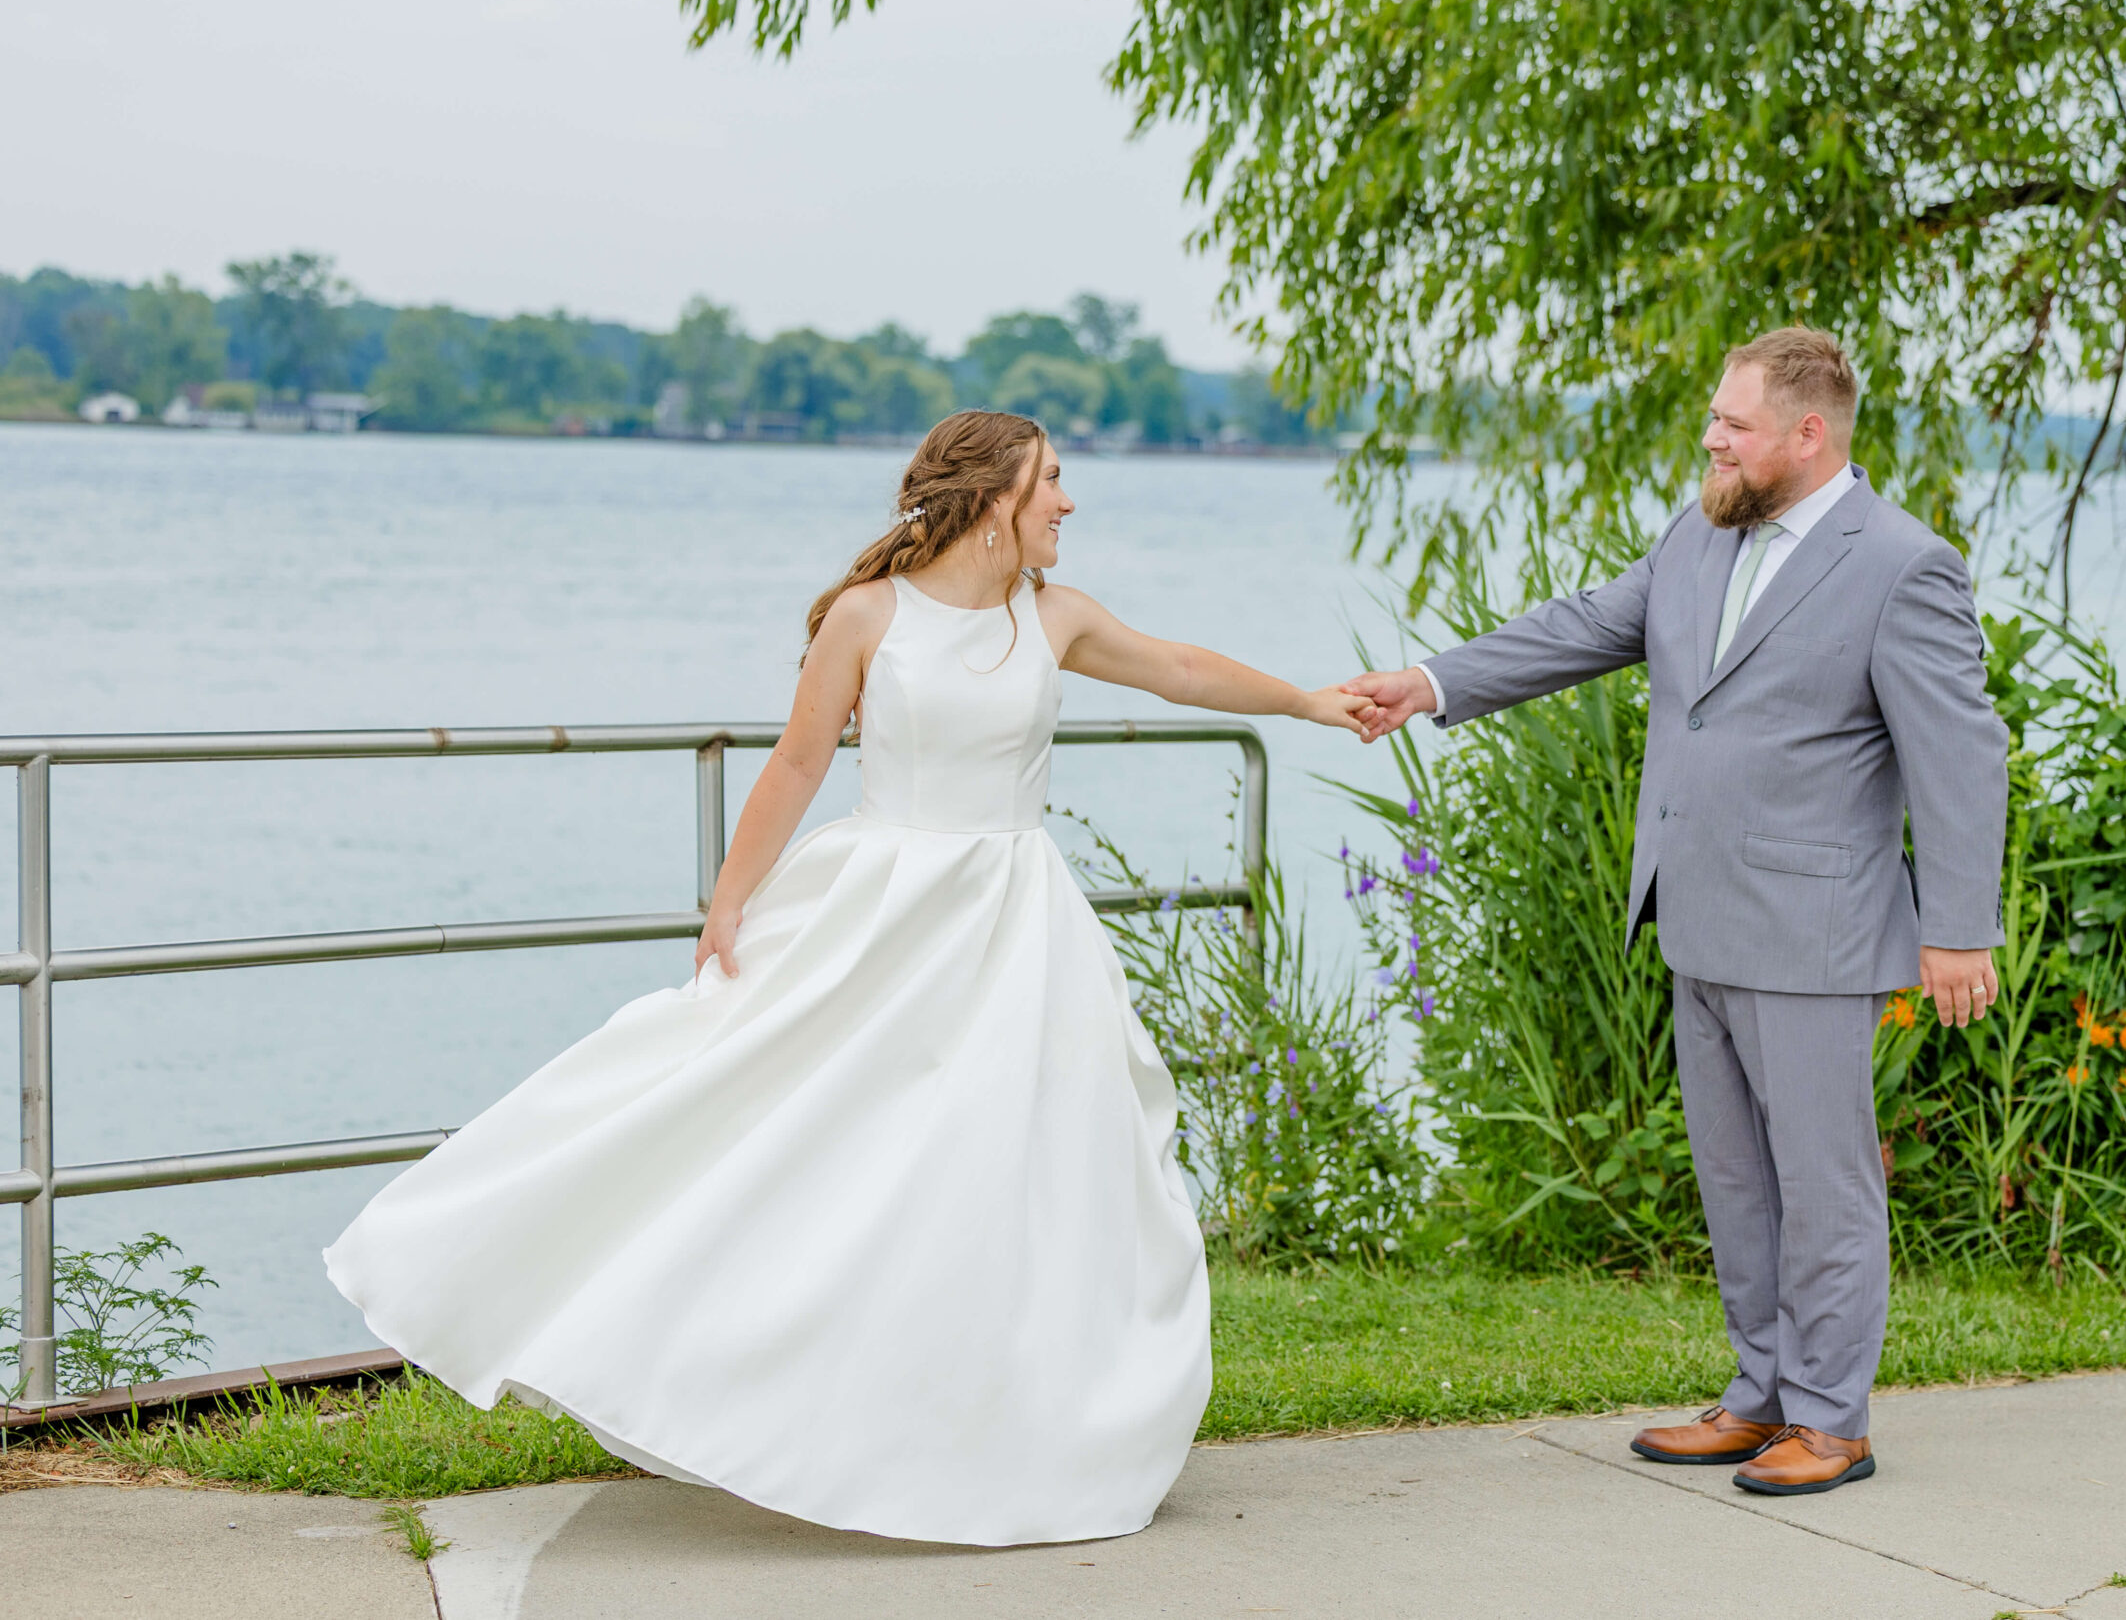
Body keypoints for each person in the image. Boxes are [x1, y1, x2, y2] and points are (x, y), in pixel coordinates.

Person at [327, 410, 1373, 1545]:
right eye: (1054, 483)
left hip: (1021, 925)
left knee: (1033, 1168)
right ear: (991, 500)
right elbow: (800, 758)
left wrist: (1311, 701)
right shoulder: (869, 617)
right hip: (883, 910)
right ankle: (728, 1362)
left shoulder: (1054, 616)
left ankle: (1024, 1429)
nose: (1070, 504)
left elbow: (1177, 669)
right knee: (809, 1134)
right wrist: (729, 898)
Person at [1346, 327, 2008, 1496]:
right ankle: (1758, 1398)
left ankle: (1831, 1421)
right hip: (1693, 913)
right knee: (1739, 1182)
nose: (1710, 437)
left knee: (1824, 1182)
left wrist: (1958, 929)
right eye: (1714, 417)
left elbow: (1962, 755)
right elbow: (1581, 628)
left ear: (1808, 435)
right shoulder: (1699, 535)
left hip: (1813, 930)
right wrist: (1429, 684)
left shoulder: (1902, 564)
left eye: (1733, 424)